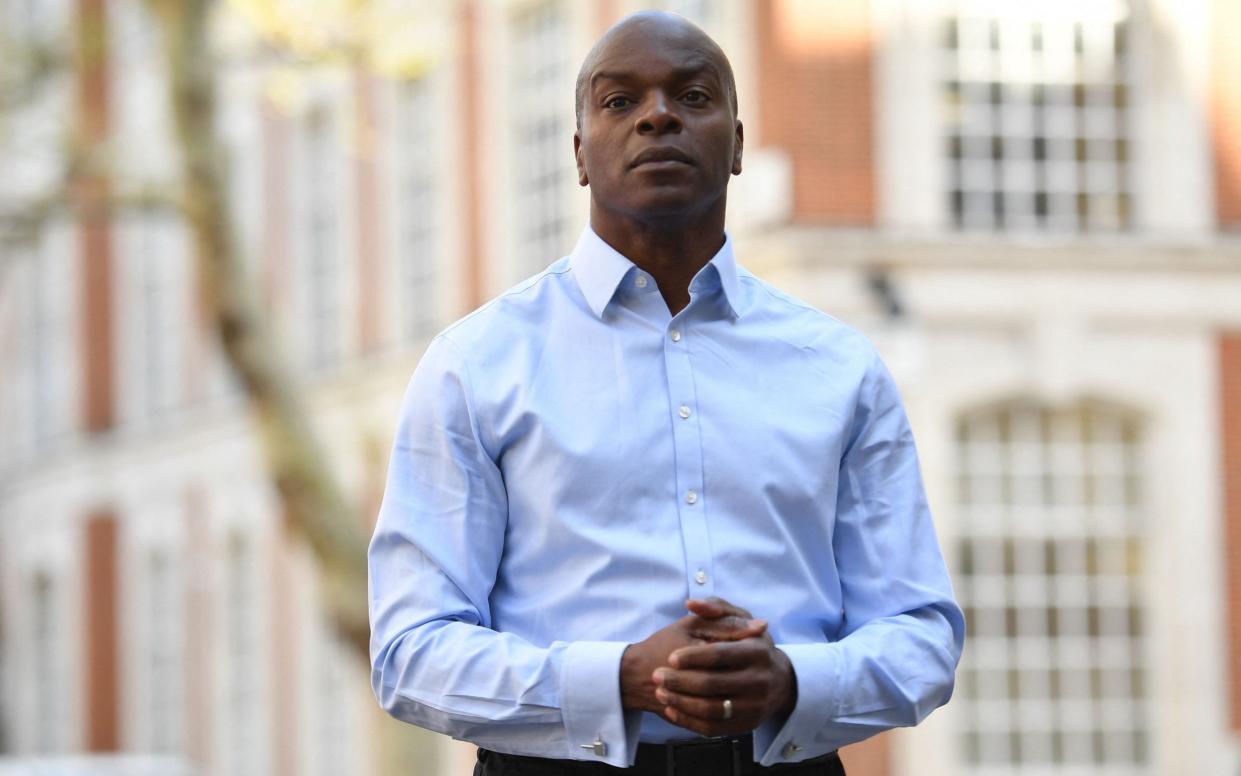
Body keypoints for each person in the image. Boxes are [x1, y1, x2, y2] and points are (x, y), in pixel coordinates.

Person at [368, 11, 964, 775]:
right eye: (619, 101)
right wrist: (615, 678)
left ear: (738, 143)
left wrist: (790, 681)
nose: (657, 115)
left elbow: (920, 635)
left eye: (691, 95)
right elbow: (410, 651)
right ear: (580, 155)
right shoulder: (474, 365)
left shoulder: (839, 367)